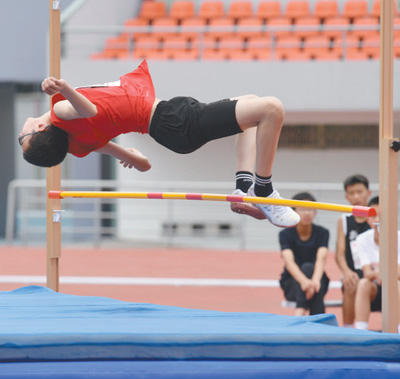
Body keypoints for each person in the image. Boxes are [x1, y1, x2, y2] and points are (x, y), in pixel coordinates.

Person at [18, 60, 299, 229]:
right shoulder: (60, 112)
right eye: (23, 138)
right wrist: (64, 88)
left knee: (251, 101)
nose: (21, 133)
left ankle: (243, 184)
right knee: (272, 109)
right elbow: (89, 111)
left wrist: (134, 156)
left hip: (170, 122)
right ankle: (263, 190)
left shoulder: (80, 145)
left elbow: (143, 165)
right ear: (40, 128)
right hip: (173, 121)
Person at [279, 192, 330, 316]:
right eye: (302, 209)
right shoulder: (285, 234)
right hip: (292, 283)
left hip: (317, 282)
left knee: (310, 269)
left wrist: (315, 281)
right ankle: (319, 322)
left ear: (315, 212)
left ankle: (299, 314)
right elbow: (289, 262)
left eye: (310, 209)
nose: (307, 213)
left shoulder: (323, 232)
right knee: (308, 268)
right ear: (293, 212)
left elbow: (321, 258)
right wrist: (304, 282)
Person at [354, 196, 400, 332]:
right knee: (363, 283)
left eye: (382, 216)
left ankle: (398, 329)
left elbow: (398, 273)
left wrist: (383, 274)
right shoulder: (362, 239)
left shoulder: (398, 238)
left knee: (397, 284)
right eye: (374, 216)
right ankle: (361, 331)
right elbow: (366, 272)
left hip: (394, 287)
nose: (378, 220)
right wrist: (380, 274)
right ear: (368, 219)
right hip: (375, 287)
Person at [335, 174, 371, 327]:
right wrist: (346, 272)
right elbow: (340, 254)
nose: (356, 196)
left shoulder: (377, 218)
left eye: (360, 191)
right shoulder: (344, 220)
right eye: (352, 193)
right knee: (350, 282)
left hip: (374, 273)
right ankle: (348, 329)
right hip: (355, 273)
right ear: (346, 196)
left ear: (368, 193)